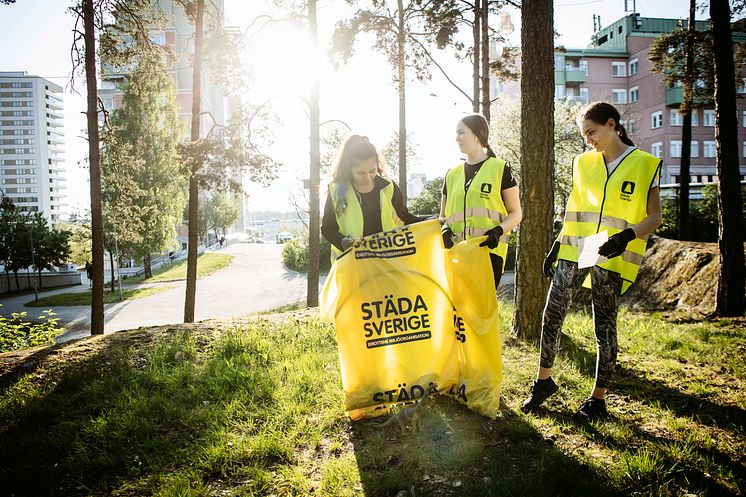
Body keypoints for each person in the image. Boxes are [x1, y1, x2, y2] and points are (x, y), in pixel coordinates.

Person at [521, 101, 663, 421]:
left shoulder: (644, 164)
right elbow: (574, 209)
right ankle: (543, 382)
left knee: (604, 326)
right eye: (584, 134)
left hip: (614, 253)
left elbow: (655, 216)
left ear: (611, 125)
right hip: (578, 248)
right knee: (552, 313)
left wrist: (628, 236)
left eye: (592, 132)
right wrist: (557, 245)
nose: (588, 139)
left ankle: (598, 399)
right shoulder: (583, 163)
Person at [440, 113, 522, 289]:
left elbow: (516, 213)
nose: (457, 138)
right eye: (456, 133)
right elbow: (443, 216)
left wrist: (498, 231)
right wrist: (445, 228)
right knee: (456, 313)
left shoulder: (500, 169)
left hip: (488, 252)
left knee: (482, 312)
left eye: (461, 132)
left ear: (476, 135)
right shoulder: (451, 175)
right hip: (457, 253)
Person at [321, 134, 421, 260]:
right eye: (361, 173)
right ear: (349, 169)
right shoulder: (338, 192)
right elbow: (327, 229)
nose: (368, 177)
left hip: (387, 262)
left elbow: (404, 218)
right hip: (352, 265)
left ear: (377, 165)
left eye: (372, 171)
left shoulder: (389, 187)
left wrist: (431, 222)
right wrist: (343, 242)